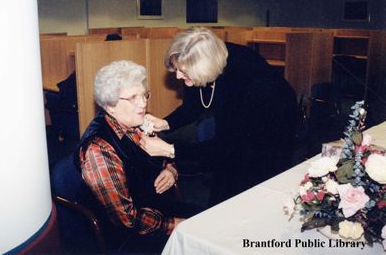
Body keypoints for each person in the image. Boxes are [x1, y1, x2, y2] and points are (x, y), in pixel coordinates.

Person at [139, 27, 298, 206]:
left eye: (183, 72)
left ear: (205, 69)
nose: (177, 76)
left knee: (248, 191)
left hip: (272, 128)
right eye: (177, 70)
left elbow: (225, 148)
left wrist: (170, 150)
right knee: (222, 189)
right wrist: (166, 123)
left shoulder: (247, 83)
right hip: (236, 131)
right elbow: (195, 103)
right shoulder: (199, 62)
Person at [76, 60, 200, 251]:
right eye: (133, 97)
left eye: (144, 95)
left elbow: (162, 152)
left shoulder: (133, 121)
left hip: (152, 205)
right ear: (110, 105)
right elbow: (127, 220)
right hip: (128, 235)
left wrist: (170, 169)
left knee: (211, 218)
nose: (143, 103)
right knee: (202, 237)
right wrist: (176, 224)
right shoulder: (99, 150)